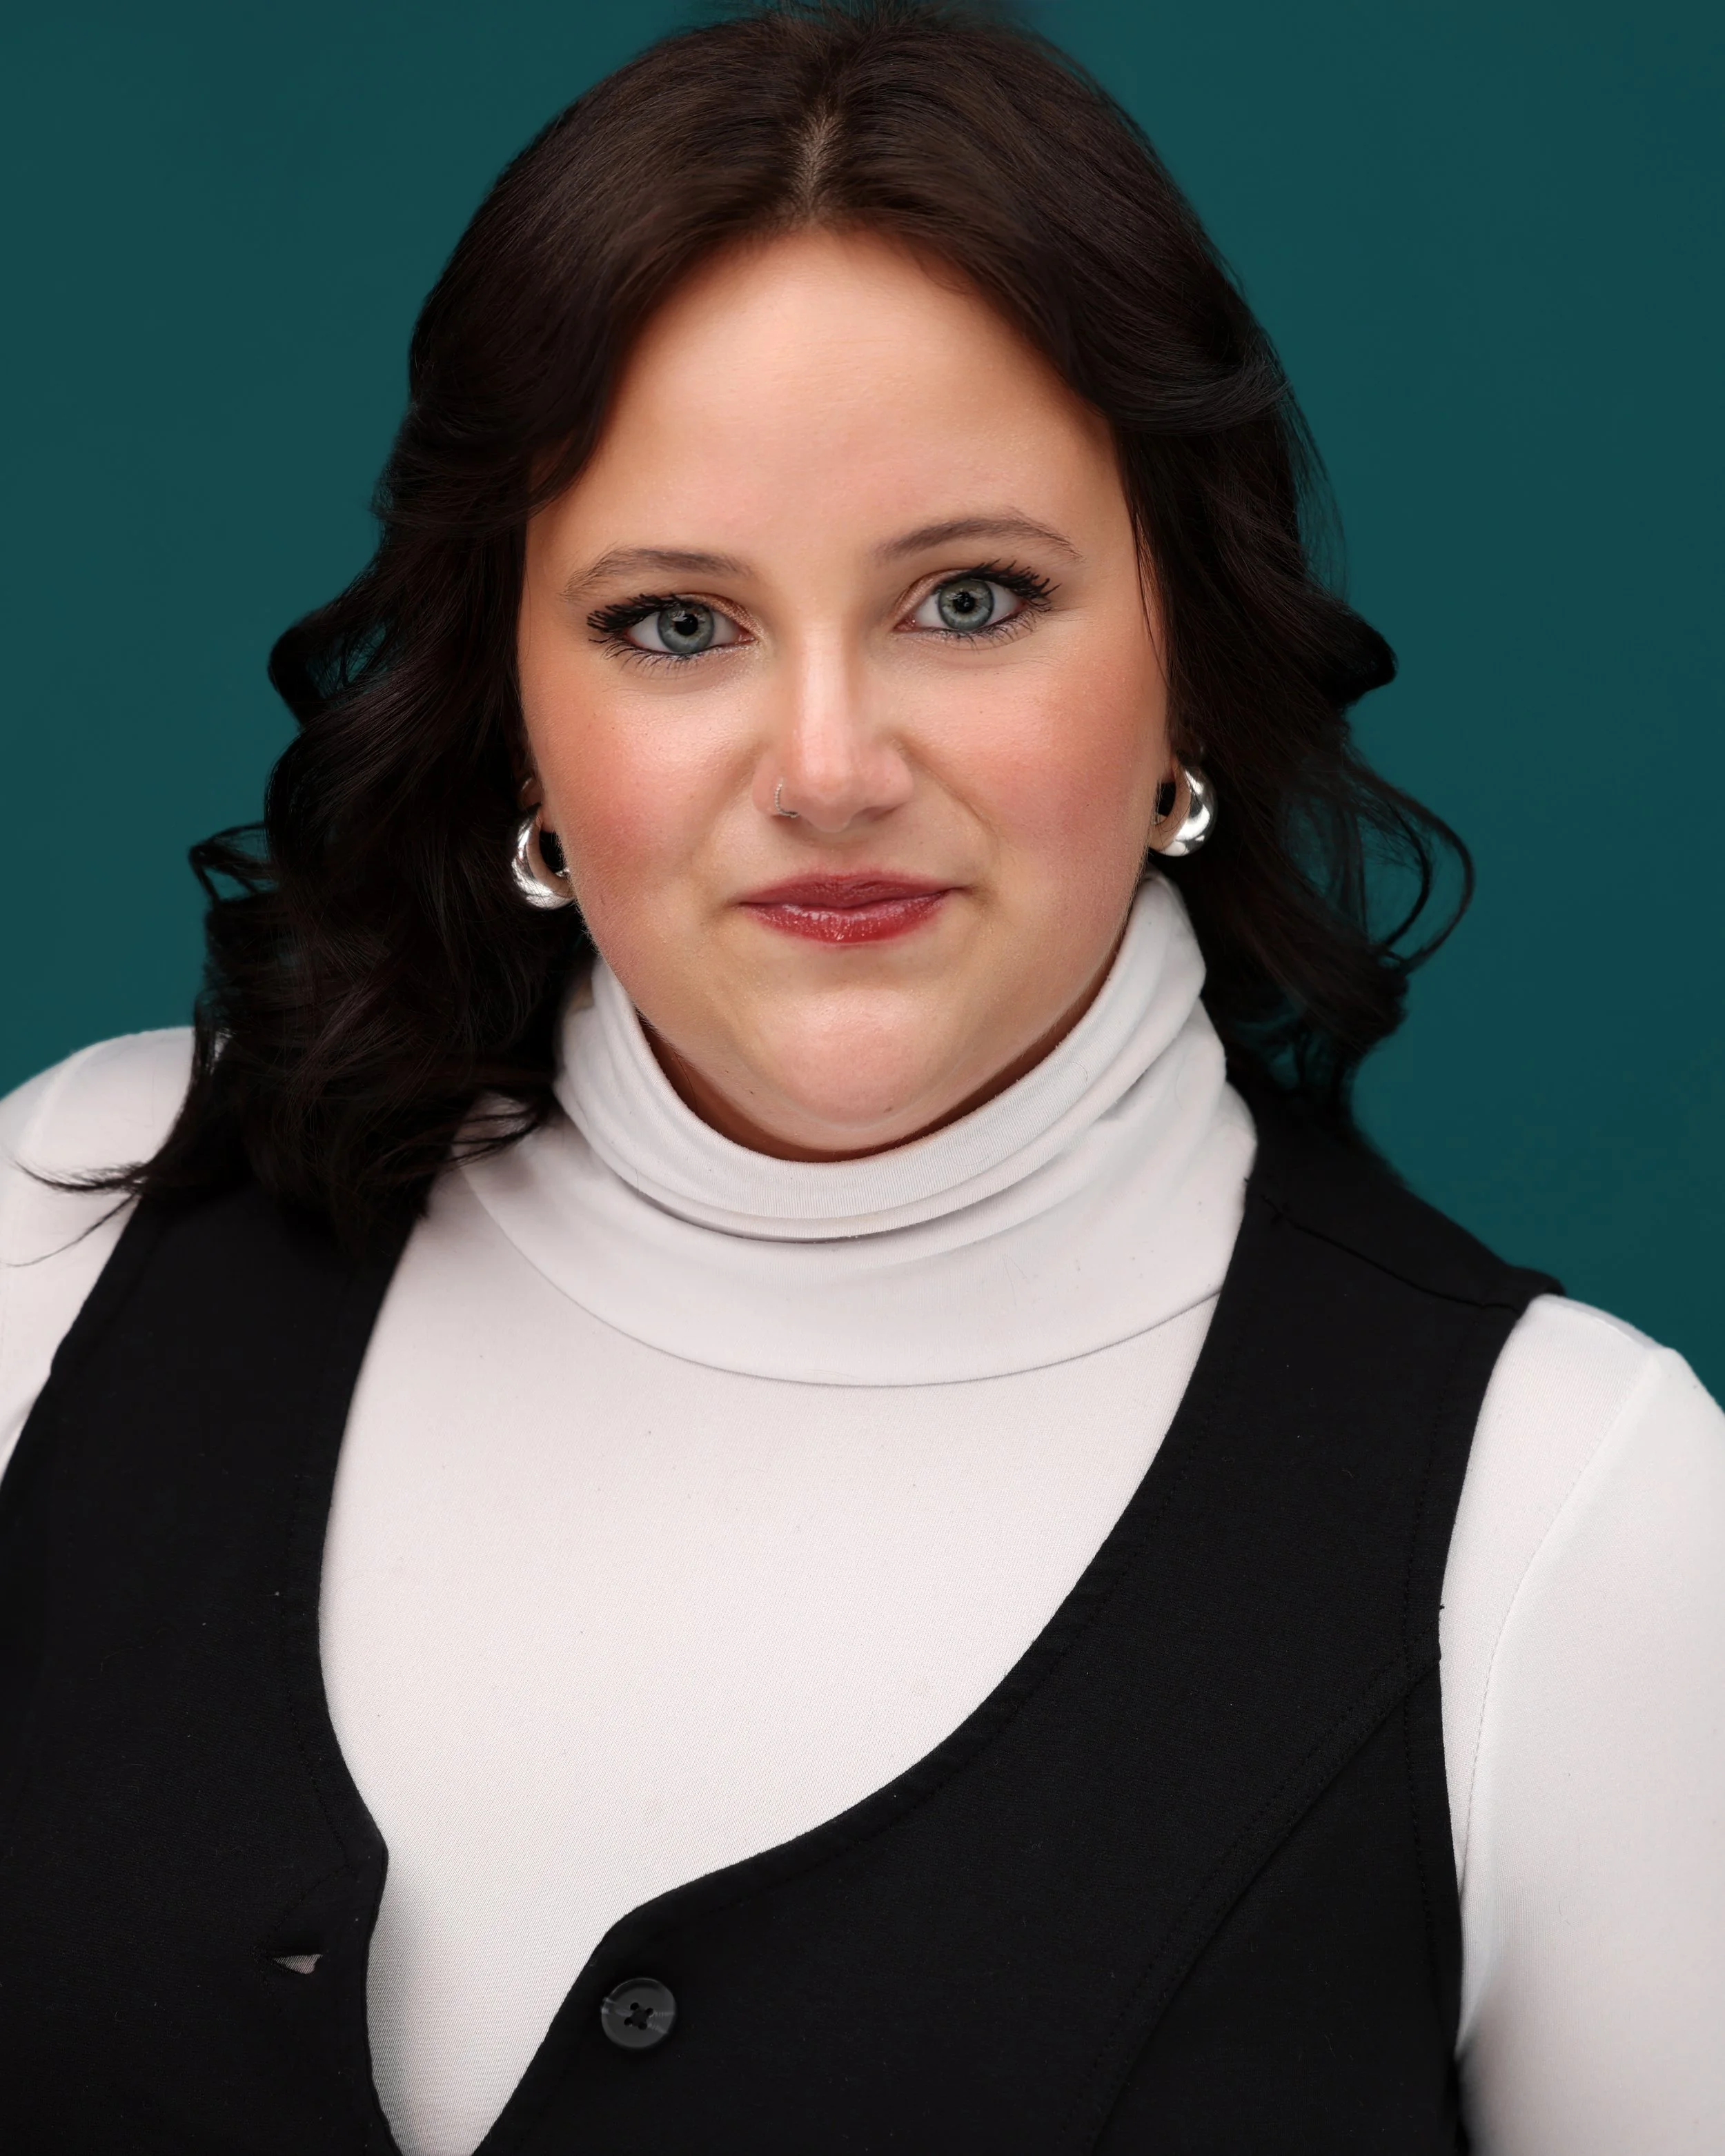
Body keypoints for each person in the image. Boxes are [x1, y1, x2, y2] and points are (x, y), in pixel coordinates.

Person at [0, 5, 1719, 2151]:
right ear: (510, 696)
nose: (827, 768)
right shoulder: (65, 1235)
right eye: (673, 623)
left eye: (969, 598)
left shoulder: (1573, 1512)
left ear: (1183, 644)